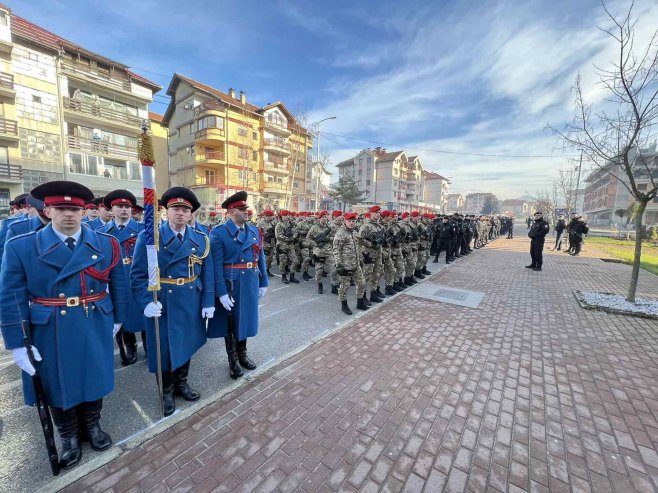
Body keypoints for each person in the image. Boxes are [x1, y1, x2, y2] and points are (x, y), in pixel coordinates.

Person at [0, 181, 127, 469]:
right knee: (57, 382)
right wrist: (17, 343)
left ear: (84, 212)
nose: (68, 214)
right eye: (61, 208)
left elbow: (119, 284)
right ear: (47, 210)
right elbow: (11, 297)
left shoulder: (107, 244)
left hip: (94, 317)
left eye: (75, 209)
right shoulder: (22, 246)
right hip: (50, 326)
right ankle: (68, 435)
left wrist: (119, 317)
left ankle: (92, 426)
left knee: (93, 375)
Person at [131, 187, 214, 416]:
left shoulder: (200, 239)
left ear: (190, 215)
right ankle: (166, 391)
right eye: (175, 208)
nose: (180, 213)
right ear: (166, 211)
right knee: (163, 350)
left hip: (190, 299)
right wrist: (145, 301)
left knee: (186, 344)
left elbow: (207, 273)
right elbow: (137, 275)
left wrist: (208, 302)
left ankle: (182, 384)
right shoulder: (150, 238)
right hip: (162, 301)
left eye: (184, 209)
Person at [207, 191, 268, 380]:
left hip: (249, 280)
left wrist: (263, 281)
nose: (246, 212)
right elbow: (215, 266)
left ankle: (243, 354)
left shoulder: (253, 230)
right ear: (231, 212)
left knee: (246, 319)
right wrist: (221, 292)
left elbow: (260, 256)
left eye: (246, 209)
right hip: (231, 282)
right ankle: (233, 360)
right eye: (242, 209)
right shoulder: (218, 233)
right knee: (231, 323)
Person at [102, 190, 145, 366]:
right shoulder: (103, 232)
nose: (125, 210)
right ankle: (131, 347)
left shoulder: (143, 230)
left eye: (127, 206)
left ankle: (149, 346)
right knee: (123, 315)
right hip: (117, 281)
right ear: (112, 209)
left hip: (138, 278)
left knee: (144, 313)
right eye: (120, 206)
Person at [333, 212, 368, 315]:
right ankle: (344, 305)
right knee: (344, 286)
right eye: (350, 221)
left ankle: (360, 302)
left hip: (356, 264)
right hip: (346, 265)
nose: (352, 223)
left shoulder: (354, 232)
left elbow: (358, 245)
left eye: (354, 221)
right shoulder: (340, 233)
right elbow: (336, 250)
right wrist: (339, 265)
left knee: (361, 283)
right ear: (345, 221)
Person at [306, 210, 333, 293]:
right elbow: (308, 239)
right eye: (323, 217)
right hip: (318, 252)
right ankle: (320, 285)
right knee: (319, 270)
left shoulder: (329, 227)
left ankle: (334, 285)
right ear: (319, 218)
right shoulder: (314, 228)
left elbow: (334, 237)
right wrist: (316, 244)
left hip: (328, 251)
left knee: (333, 268)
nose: (325, 218)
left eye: (326, 217)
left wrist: (328, 239)